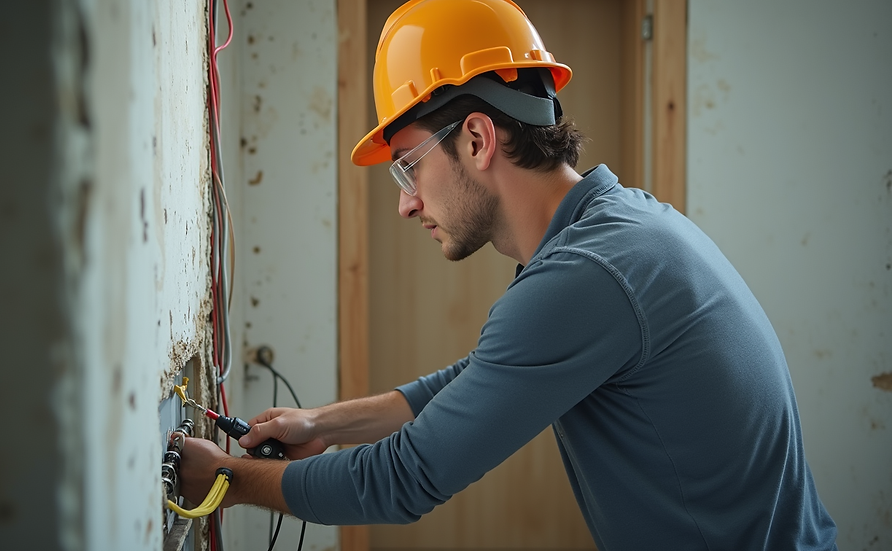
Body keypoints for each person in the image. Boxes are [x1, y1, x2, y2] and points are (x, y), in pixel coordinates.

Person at [180, 0, 838, 548]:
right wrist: (323, 424)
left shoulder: (586, 275)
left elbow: (405, 478)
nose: (407, 202)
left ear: (476, 138)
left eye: (407, 166)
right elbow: (481, 376)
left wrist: (226, 480)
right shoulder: (614, 229)